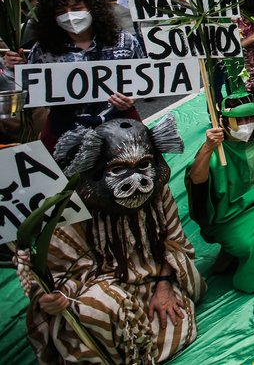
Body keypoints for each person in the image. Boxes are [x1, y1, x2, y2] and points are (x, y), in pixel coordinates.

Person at [17, 117, 203, 364]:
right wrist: (58, 297)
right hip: (96, 289)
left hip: (153, 280)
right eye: (117, 170)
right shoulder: (72, 207)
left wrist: (164, 284)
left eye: (145, 165)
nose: (136, 181)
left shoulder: (159, 193)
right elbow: (64, 271)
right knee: (95, 311)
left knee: (173, 323)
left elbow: (175, 241)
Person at [3, 0, 143, 147]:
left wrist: (132, 98)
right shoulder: (43, 50)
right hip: (64, 130)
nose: (70, 15)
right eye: (61, 12)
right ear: (52, 17)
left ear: (92, 8)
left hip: (120, 123)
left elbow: (142, 78)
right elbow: (31, 94)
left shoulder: (124, 40)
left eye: (77, 9)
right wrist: (16, 68)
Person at [186, 94, 254, 292]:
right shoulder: (215, 149)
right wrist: (208, 148)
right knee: (249, 243)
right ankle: (250, 272)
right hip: (229, 215)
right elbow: (197, 180)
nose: (246, 124)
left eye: (250, 118)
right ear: (225, 121)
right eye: (240, 119)